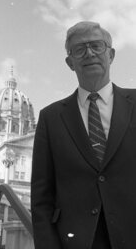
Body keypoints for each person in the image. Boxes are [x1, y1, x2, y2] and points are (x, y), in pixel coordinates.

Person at [31, 21, 136, 249]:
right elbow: (41, 198)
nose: (89, 53)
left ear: (111, 54)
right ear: (70, 62)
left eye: (97, 46)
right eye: (79, 49)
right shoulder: (50, 117)